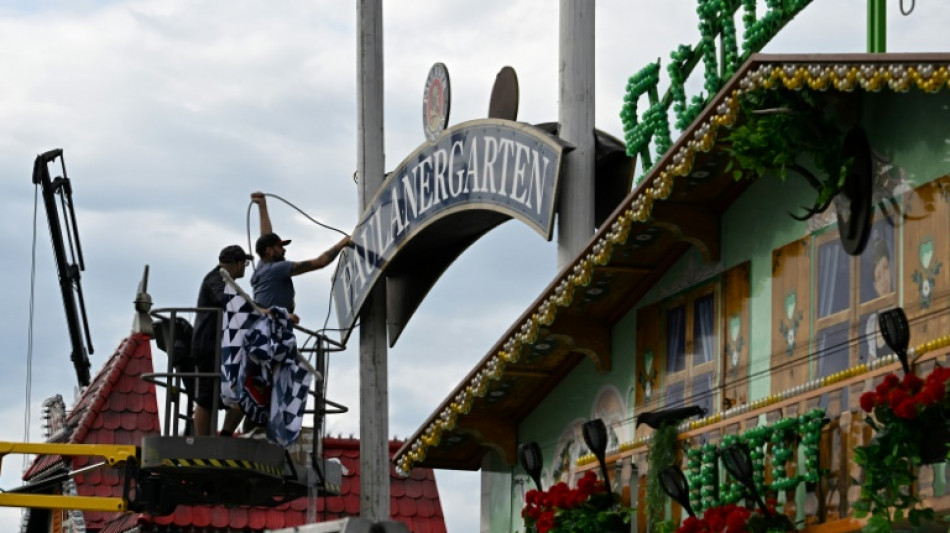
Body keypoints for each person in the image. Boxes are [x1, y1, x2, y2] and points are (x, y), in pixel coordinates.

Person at [249, 191, 351, 316]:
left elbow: (265, 236)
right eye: (280, 247)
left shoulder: (262, 267)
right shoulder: (277, 269)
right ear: (269, 251)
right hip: (275, 328)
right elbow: (320, 263)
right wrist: (343, 243)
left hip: (263, 325)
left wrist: (262, 206)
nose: (284, 250)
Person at [192, 244, 253, 437]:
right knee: (206, 397)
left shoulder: (225, 281)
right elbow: (227, 300)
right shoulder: (216, 279)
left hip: (222, 346)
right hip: (209, 346)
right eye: (245, 263)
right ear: (237, 263)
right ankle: (202, 443)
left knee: (242, 390)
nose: (245, 267)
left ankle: (225, 435)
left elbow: (238, 302)